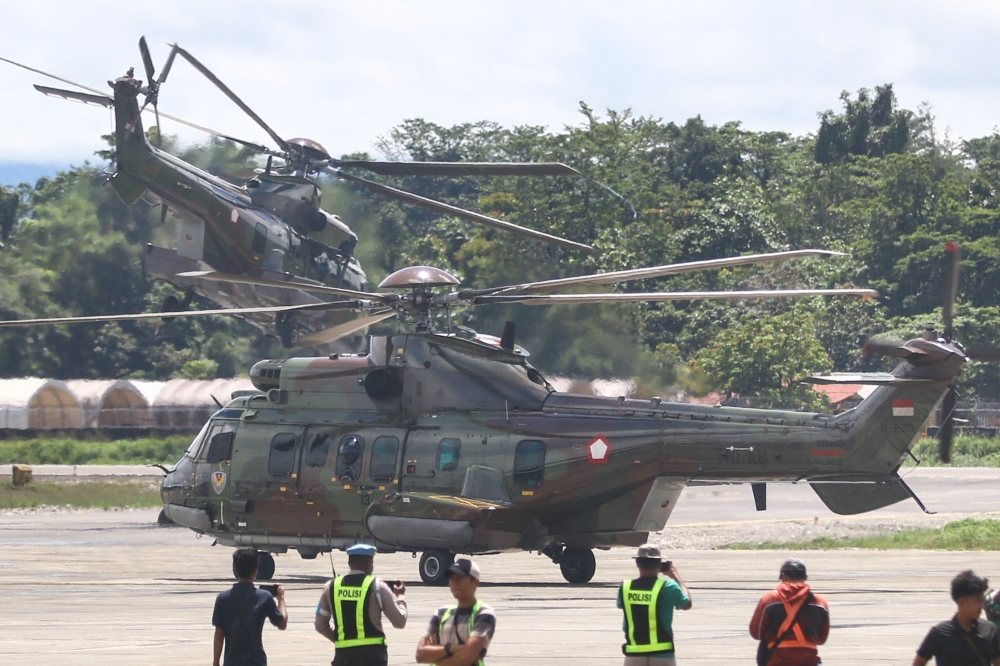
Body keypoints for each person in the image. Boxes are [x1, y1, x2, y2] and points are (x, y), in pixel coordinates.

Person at [315, 543, 408, 666]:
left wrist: (343, 638)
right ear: (367, 563)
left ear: (349, 563)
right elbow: (399, 622)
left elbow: (320, 625)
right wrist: (400, 598)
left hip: (343, 656)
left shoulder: (330, 587)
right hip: (373, 657)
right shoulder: (377, 586)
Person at [617, 544, 692, 666]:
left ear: (637, 563)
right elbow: (687, 603)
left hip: (634, 653)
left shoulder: (625, 588)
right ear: (659, 564)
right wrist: (675, 576)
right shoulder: (669, 587)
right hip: (662, 654)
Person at [212, 547, 288, 666]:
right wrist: (281, 599)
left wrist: (216, 662)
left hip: (232, 661)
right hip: (256, 660)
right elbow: (282, 623)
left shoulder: (223, 598)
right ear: (255, 571)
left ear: (235, 570)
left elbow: (219, 634)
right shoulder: (264, 597)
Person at [416, 557, 496, 666]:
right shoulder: (441, 613)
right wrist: (450, 648)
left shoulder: (484, 613)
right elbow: (421, 655)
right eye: (452, 579)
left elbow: (466, 657)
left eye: (460, 578)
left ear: (475, 582)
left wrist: (437, 655)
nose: (455, 583)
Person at [749, 558, 829, 666]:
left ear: (784, 577)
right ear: (805, 578)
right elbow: (822, 639)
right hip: (809, 660)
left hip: (777, 660)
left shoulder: (770, 599)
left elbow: (756, 633)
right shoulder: (820, 602)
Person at [913, 570, 1000, 666]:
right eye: (977, 601)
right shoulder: (940, 633)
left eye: (982, 601)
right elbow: (919, 662)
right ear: (962, 602)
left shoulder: (989, 630)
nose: (982, 606)